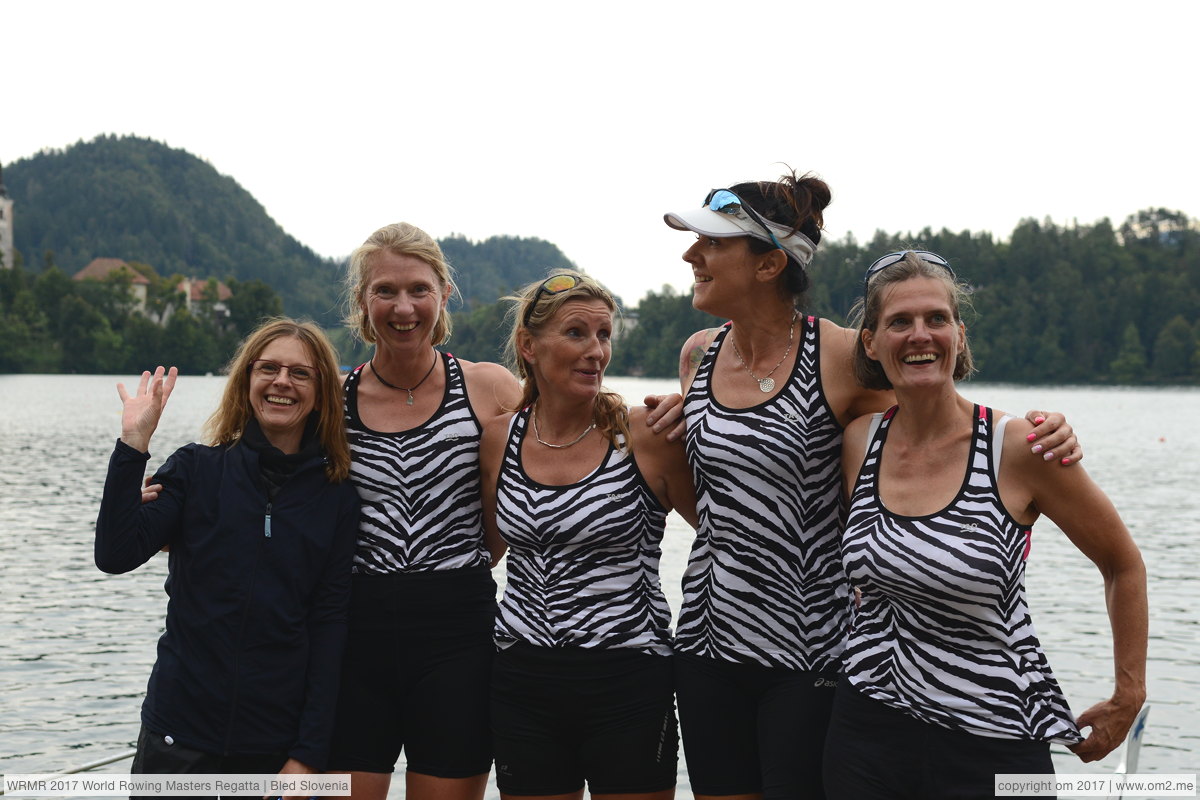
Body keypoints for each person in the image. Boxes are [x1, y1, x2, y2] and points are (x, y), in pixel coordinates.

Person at [656, 172, 1084, 800]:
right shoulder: (699, 355)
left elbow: (934, 425)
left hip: (814, 654)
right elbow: (716, 502)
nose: (692, 254)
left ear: (771, 263)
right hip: (707, 640)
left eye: (712, 243)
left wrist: (1044, 434)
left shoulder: (838, 357)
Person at [823, 250, 1147, 798]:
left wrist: (1128, 693)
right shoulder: (859, 442)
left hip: (995, 736)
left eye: (936, 319)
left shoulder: (1018, 446)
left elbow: (1122, 564)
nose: (920, 334)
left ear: (960, 335)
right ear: (871, 343)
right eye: (899, 321)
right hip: (866, 731)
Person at [95, 318, 361, 788]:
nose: (282, 381)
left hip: (273, 745)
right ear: (247, 381)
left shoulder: (335, 497)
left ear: (321, 391)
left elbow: (329, 624)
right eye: (269, 368)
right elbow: (115, 553)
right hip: (176, 734)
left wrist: (308, 752)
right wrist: (134, 445)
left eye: (300, 373)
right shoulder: (196, 469)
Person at [478, 270, 699, 800]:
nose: (596, 351)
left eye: (603, 335)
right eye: (577, 333)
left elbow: (725, 534)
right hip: (522, 678)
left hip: (627, 680)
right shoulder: (497, 440)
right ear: (528, 346)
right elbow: (488, 550)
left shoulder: (643, 435)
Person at [325, 222, 522, 800]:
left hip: (456, 635)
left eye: (419, 289)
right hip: (353, 636)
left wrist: (665, 413)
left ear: (444, 295)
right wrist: (172, 501)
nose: (403, 307)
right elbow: (254, 474)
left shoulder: (488, 388)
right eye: (385, 290)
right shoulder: (333, 399)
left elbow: (575, 434)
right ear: (363, 302)